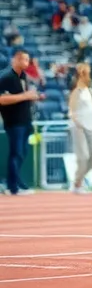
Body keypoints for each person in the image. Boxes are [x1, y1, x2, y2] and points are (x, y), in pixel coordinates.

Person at [0, 49, 39, 196]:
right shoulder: (5, 77)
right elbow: (1, 99)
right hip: (14, 122)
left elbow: (24, 96)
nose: (27, 63)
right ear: (15, 60)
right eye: (24, 60)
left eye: (28, 60)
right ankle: (12, 187)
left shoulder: (23, 76)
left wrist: (33, 97)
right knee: (16, 153)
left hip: (25, 121)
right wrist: (25, 96)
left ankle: (16, 182)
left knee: (22, 153)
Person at [68, 63, 92, 193]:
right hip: (79, 127)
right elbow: (72, 112)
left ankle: (78, 180)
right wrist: (78, 123)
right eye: (84, 74)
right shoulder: (76, 92)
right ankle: (77, 183)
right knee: (82, 157)